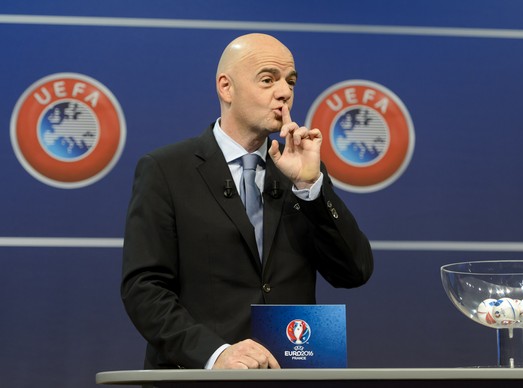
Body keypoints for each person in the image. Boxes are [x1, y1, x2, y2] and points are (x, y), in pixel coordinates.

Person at [121, 33, 374, 370]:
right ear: (226, 88)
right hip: (198, 378)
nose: (284, 91)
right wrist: (215, 354)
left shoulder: (300, 171)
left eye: (290, 81)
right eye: (268, 79)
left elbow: (354, 272)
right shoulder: (167, 170)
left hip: (290, 374)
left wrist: (310, 186)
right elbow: (144, 289)